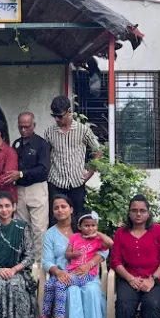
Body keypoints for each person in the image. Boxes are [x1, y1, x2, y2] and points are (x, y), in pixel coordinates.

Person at [37, 195, 109, 318]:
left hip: (88, 274)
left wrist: (89, 264)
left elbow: (104, 250)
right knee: (72, 292)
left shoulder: (84, 227)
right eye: (56, 208)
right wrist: (58, 272)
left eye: (63, 206)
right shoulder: (50, 234)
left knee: (91, 291)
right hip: (65, 276)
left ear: (71, 209)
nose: (60, 210)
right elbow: (46, 261)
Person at [44, 95, 102, 226]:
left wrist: (91, 172)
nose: (57, 119)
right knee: (55, 218)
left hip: (77, 182)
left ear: (69, 111)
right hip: (56, 182)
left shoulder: (83, 130)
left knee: (77, 219)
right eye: (54, 116)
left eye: (60, 116)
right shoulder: (49, 132)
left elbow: (98, 150)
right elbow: (45, 154)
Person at [3, 112, 50, 262]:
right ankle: (25, 262)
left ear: (34, 125)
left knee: (39, 228)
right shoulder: (17, 144)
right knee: (22, 227)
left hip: (37, 188)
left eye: (27, 127)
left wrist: (22, 173)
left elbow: (44, 169)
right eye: (20, 127)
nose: (23, 130)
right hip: (19, 189)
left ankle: (39, 264)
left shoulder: (41, 144)